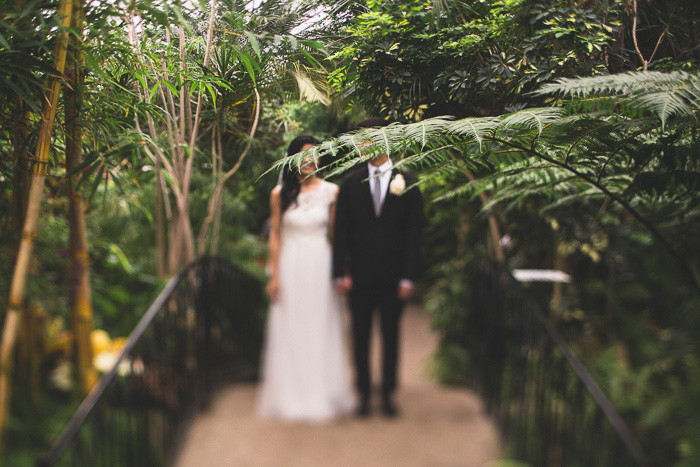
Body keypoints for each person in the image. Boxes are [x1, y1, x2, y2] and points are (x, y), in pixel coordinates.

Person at [258, 134, 354, 422]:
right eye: (303, 155)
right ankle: (290, 394)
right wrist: (274, 276)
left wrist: (343, 272)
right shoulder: (280, 194)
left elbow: (339, 238)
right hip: (289, 265)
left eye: (314, 155)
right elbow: (275, 237)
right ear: (293, 159)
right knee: (290, 325)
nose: (309, 160)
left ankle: (322, 391)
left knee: (320, 324)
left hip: (320, 264)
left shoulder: (332, 192)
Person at [332, 118, 424, 418]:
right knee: (359, 336)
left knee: (390, 335)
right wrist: (338, 272)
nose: (364, 143)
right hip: (358, 276)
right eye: (360, 139)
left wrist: (409, 276)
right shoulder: (348, 183)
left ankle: (387, 394)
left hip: (394, 276)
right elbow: (341, 233)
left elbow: (414, 235)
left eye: (369, 137)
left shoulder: (408, 182)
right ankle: (362, 395)